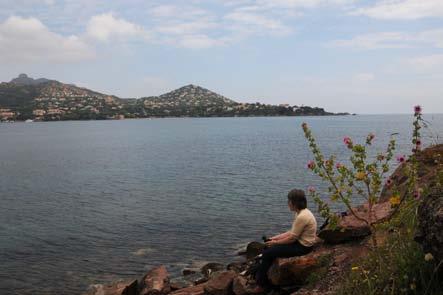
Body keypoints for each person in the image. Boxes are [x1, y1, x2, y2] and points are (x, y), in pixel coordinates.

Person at [254, 188, 318, 291]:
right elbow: (291, 232)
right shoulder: (301, 212)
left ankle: (262, 283)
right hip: (300, 242)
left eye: (289, 201)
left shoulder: (302, 216)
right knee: (268, 250)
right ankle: (262, 276)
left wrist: (275, 243)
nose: (288, 203)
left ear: (294, 203)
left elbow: (292, 238)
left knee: (267, 253)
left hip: (303, 247)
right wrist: (274, 238)